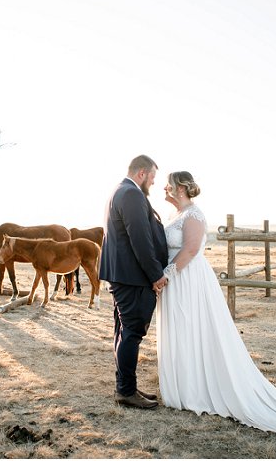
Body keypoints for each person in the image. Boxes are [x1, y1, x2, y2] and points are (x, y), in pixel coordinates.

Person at [156, 171, 276, 437]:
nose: (164, 188)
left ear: (181, 188)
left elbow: (189, 250)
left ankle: (199, 387)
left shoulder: (194, 215)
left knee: (194, 327)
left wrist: (166, 275)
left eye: (169, 184)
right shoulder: (173, 216)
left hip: (189, 279)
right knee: (182, 330)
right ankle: (185, 383)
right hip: (177, 278)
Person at [99, 155, 169, 409]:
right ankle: (126, 391)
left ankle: (125, 387)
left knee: (124, 332)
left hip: (123, 276)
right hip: (132, 278)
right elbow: (140, 239)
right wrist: (156, 274)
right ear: (141, 173)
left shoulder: (120, 191)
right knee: (131, 333)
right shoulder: (131, 194)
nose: (152, 182)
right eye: (152, 177)